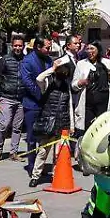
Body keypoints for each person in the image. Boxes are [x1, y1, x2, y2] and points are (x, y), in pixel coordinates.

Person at [29, 55, 74, 187]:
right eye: (61, 69)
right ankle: (35, 176)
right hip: (48, 122)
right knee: (43, 151)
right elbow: (39, 78)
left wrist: (71, 125)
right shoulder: (48, 82)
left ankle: (56, 175)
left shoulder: (67, 86)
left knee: (58, 153)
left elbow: (69, 105)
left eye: (65, 70)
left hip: (63, 122)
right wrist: (52, 68)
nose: (63, 72)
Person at [20, 35, 54, 176]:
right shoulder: (27, 62)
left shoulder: (49, 60)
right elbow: (27, 82)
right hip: (32, 104)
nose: (49, 50)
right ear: (38, 47)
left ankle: (40, 165)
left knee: (44, 137)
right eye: (47, 47)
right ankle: (32, 166)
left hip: (46, 105)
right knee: (32, 138)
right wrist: (40, 96)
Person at [0, 35, 26, 162]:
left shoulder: (26, 60)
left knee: (17, 127)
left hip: (21, 99)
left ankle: (14, 153)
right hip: (6, 97)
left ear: (24, 46)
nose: (18, 48)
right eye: (15, 45)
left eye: (20, 45)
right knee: (4, 125)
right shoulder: (5, 60)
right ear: (12, 45)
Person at [73, 41, 110, 147]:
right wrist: (80, 82)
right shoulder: (81, 64)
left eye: (92, 49)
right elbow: (73, 85)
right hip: (88, 104)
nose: (90, 51)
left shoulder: (108, 63)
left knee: (102, 130)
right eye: (88, 49)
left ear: (98, 50)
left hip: (103, 103)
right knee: (88, 130)